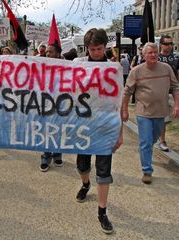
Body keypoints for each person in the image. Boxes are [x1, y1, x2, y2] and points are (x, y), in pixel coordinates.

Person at [72, 28, 123, 234]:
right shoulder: (78, 65)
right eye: (92, 49)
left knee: (104, 171)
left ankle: (102, 212)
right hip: (83, 124)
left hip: (105, 127)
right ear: (87, 48)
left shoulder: (114, 69)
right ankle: (85, 184)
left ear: (105, 47)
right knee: (82, 165)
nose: (95, 52)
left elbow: (118, 103)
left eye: (99, 49)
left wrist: (119, 133)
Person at [122, 42, 179, 184]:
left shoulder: (166, 69)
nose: (153, 55)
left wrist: (177, 105)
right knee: (146, 141)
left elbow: (175, 87)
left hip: (161, 112)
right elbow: (127, 91)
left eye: (155, 52)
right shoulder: (136, 71)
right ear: (144, 55)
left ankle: (146, 149)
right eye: (150, 53)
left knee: (153, 138)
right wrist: (124, 110)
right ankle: (147, 170)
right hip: (143, 112)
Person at [39, 43, 63, 172]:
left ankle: (57, 154)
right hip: (45, 103)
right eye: (47, 52)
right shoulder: (40, 66)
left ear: (58, 54)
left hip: (61, 104)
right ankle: (46, 156)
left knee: (58, 129)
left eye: (51, 52)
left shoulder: (67, 67)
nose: (48, 54)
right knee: (45, 130)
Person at [157, 35, 179, 152]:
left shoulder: (175, 58)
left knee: (169, 117)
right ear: (161, 44)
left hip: (171, 91)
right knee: (162, 118)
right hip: (158, 93)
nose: (169, 46)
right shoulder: (156, 57)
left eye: (171, 43)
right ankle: (162, 140)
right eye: (166, 44)